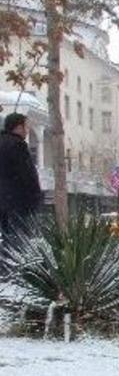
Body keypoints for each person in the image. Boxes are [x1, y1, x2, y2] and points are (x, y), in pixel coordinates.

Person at [0, 112, 43, 272]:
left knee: (7, 237)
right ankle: (16, 273)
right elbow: (27, 174)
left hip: (3, 202)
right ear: (18, 127)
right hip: (18, 202)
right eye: (26, 126)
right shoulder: (18, 145)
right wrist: (36, 196)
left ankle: (5, 270)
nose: (27, 130)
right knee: (19, 239)